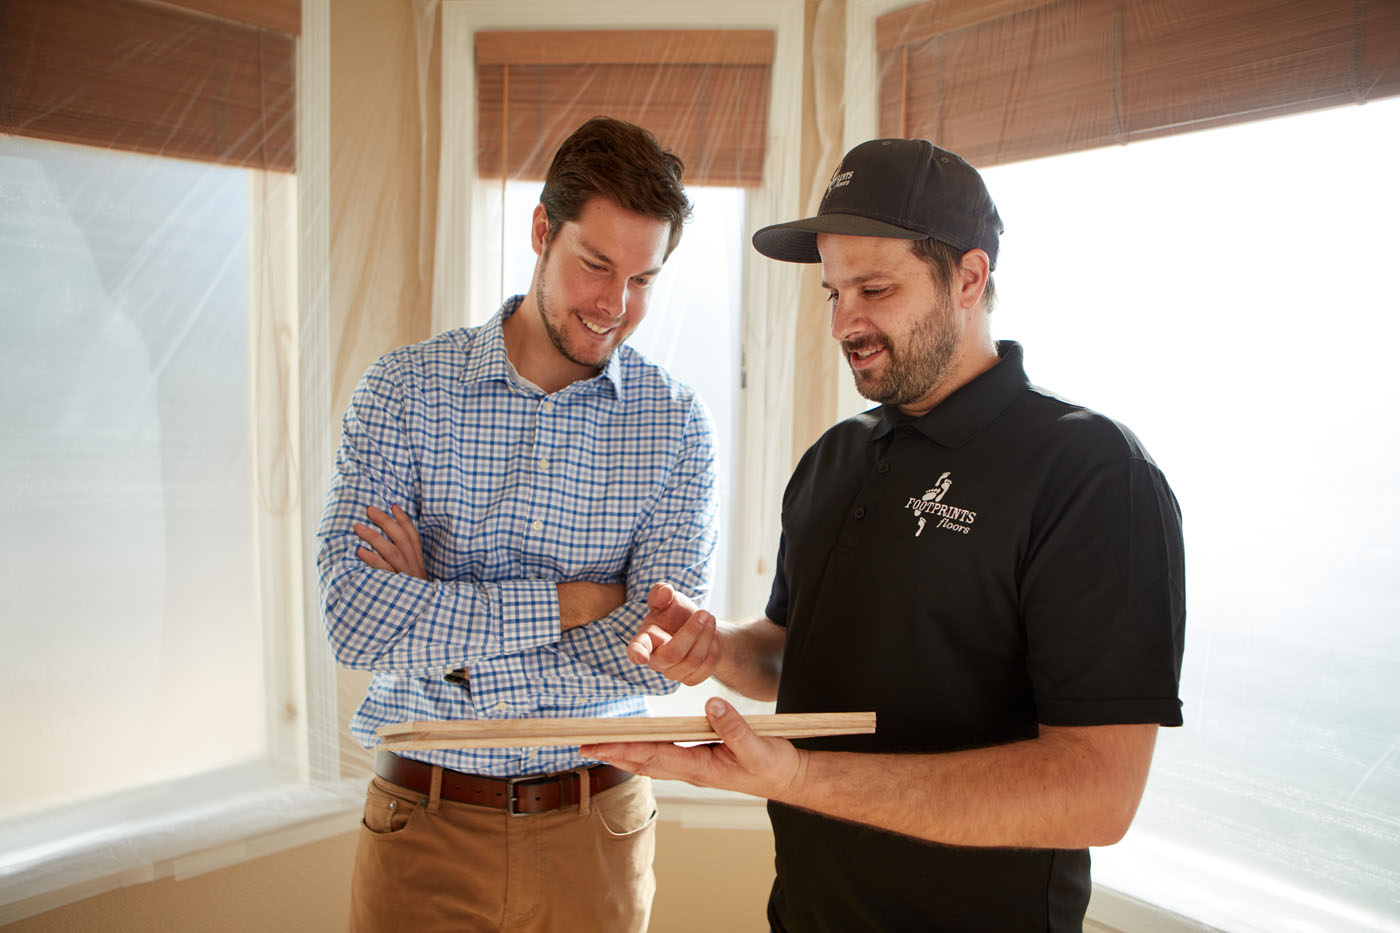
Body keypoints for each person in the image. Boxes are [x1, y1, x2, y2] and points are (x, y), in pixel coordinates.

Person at [584, 138, 1187, 932]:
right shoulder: (835, 458)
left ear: (969, 278)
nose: (844, 321)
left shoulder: (1091, 472)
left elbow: (1096, 793)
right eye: (833, 290)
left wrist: (795, 776)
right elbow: (798, 649)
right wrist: (720, 649)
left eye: (875, 288)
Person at [316, 116, 719, 932]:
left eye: (643, 279)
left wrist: (441, 617)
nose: (614, 305)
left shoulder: (677, 426)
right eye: (595, 265)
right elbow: (356, 622)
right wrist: (575, 602)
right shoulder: (403, 391)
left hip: (596, 830)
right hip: (421, 822)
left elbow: (648, 661)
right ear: (542, 230)